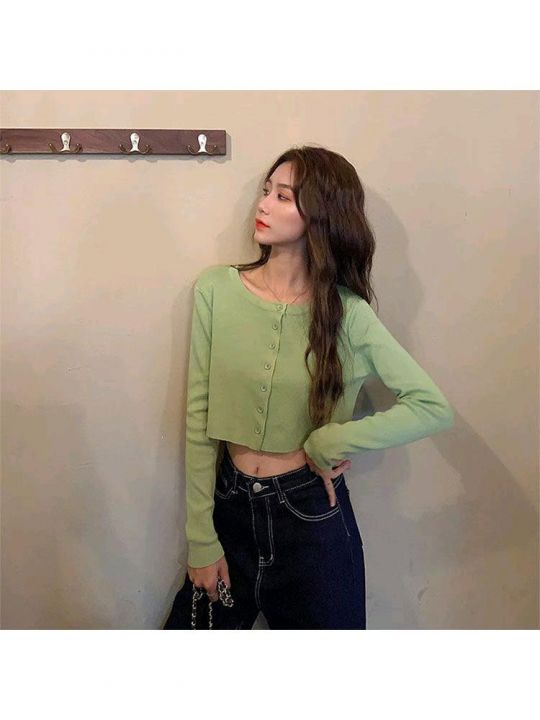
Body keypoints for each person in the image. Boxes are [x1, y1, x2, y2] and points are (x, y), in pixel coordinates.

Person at [163, 145, 454, 629]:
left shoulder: (349, 314)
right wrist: (201, 538)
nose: (262, 205)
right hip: (229, 510)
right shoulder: (216, 290)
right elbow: (199, 418)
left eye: (283, 196)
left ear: (320, 214)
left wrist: (332, 440)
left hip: (312, 517)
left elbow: (430, 406)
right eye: (265, 191)